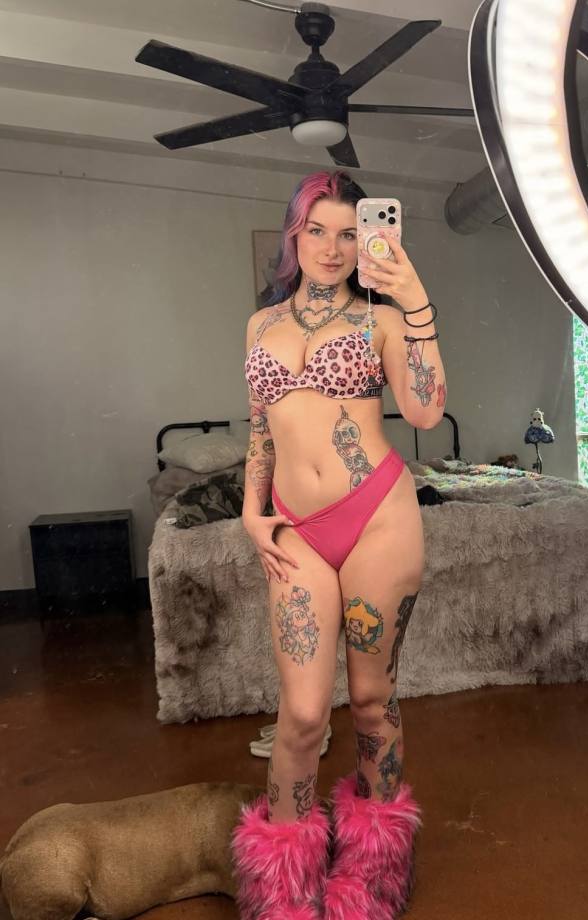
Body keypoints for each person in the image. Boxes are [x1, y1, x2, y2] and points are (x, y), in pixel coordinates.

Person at [231, 169, 446, 919]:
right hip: (295, 526)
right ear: (294, 235)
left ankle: (375, 874)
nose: (331, 247)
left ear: (367, 242)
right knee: (301, 714)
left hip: (377, 515)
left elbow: (425, 412)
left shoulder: (381, 320)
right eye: (316, 230)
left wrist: (414, 299)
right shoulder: (260, 326)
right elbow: (259, 429)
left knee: (372, 700)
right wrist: (251, 511)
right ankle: (282, 886)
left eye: (349, 233)